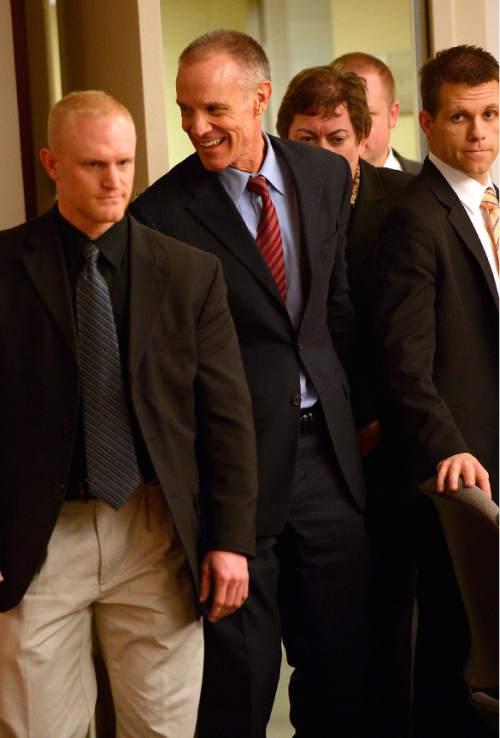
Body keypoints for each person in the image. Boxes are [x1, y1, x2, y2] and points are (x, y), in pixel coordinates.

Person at [130, 28, 372, 738]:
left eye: (214, 109)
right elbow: (165, 376)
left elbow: (335, 310)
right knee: (239, 688)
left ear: (260, 98)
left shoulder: (324, 176)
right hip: (236, 479)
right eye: (185, 109)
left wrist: (362, 415)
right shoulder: (160, 216)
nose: (195, 126)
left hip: (329, 462)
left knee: (341, 676)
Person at [0, 90, 258, 738]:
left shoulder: (190, 273)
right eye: (94, 165)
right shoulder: (2, 269)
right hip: (37, 534)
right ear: (52, 163)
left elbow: (227, 417)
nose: (114, 180)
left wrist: (230, 539)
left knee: (163, 729)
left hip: (155, 530)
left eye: (124, 162)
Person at [277, 62, 415, 738]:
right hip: (317, 448)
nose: (323, 153)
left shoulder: (407, 203)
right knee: (328, 639)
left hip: (398, 441)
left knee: (396, 627)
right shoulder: (274, 206)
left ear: (363, 138)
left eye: (336, 138)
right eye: (306, 138)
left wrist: (377, 415)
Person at [375, 45, 499, 738]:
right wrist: (450, 449)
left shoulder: (494, 204)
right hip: (461, 474)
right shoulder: (417, 217)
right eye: (460, 117)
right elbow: (404, 361)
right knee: (459, 653)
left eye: (491, 114)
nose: (478, 132)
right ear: (426, 122)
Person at [335, 51, 421, 173]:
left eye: (365, 115)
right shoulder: (309, 183)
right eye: (340, 116)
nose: (353, 129)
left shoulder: (429, 181)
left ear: (392, 115)